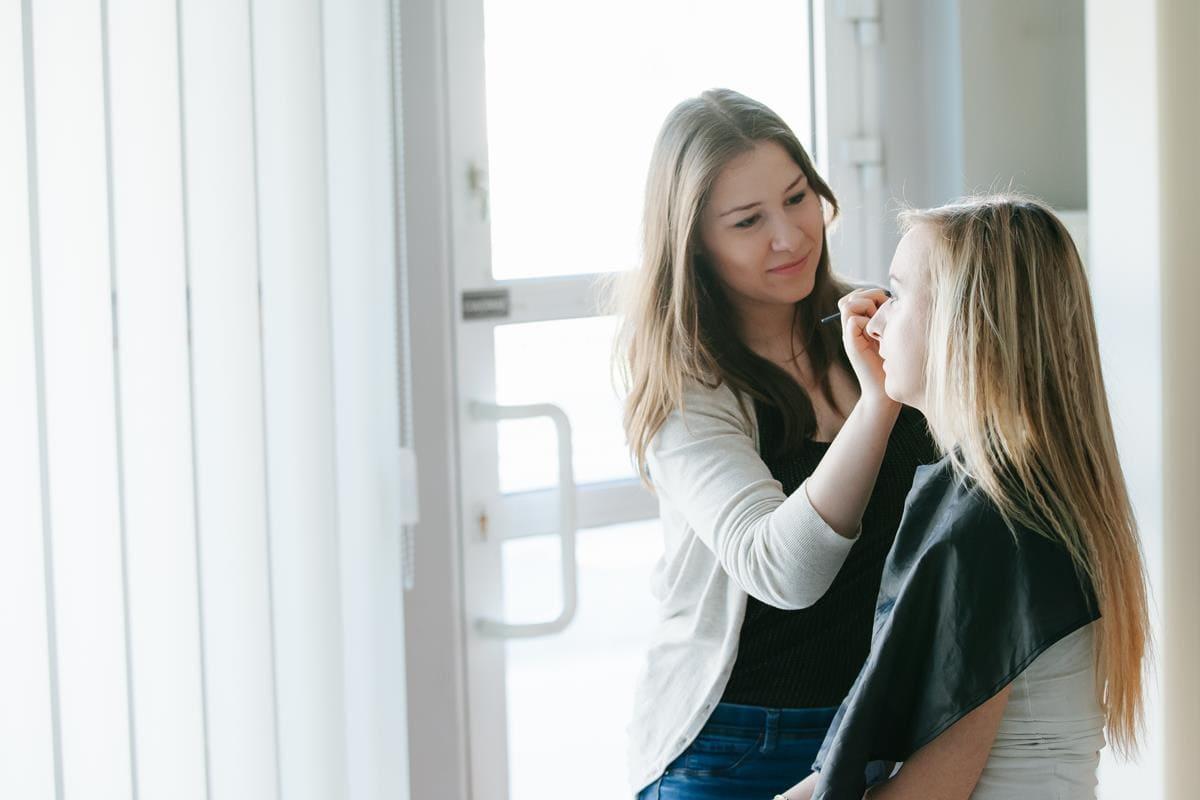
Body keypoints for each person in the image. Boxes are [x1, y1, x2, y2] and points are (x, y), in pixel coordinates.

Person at [616, 88, 939, 799]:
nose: (790, 236)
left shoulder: (884, 323)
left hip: (882, 730)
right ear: (695, 240)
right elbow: (781, 573)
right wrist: (878, 405)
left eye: (797, 199)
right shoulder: (686, 381)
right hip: (733, 746)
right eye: (747, 221)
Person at [781, 195, 1151, 800]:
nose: (873, 322)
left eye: (897, 295)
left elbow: (929, 791)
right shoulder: (1022, 493)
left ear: (964, 323)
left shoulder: (993, 526)